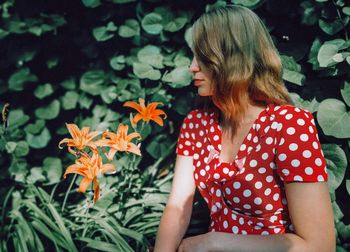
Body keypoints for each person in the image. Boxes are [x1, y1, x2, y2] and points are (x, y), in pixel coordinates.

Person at [154, 5, 335, 252]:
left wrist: (216, 241)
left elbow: (320, 246)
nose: (192, 67)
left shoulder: (288, 126)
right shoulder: (196, 124)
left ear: (234, 57)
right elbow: (178, 207)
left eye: (203, 57)